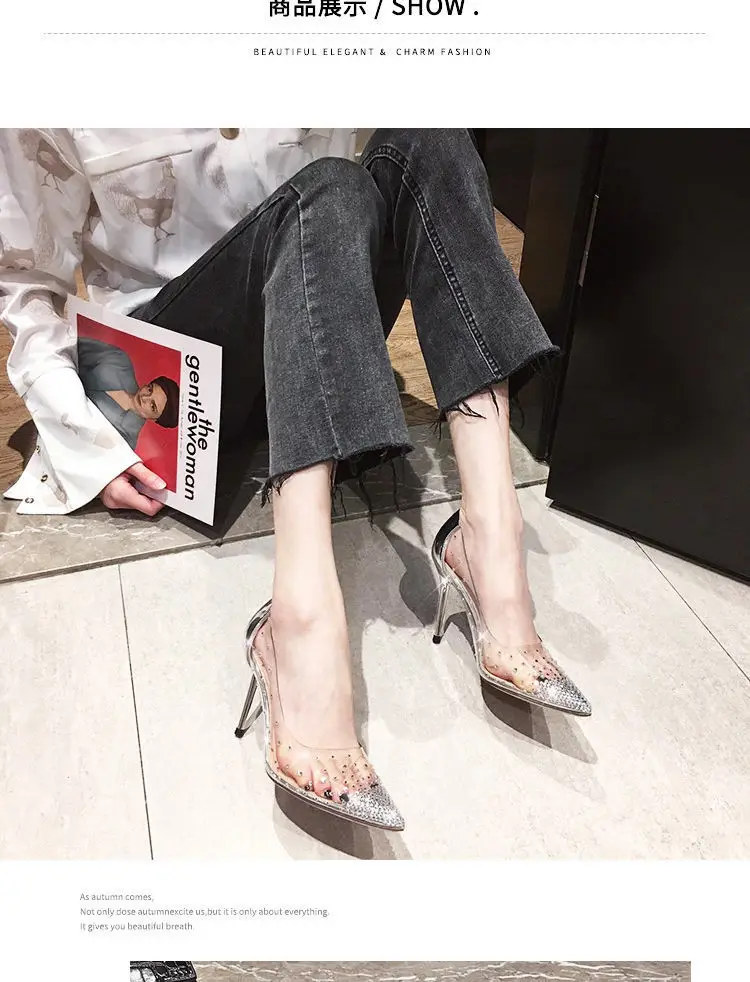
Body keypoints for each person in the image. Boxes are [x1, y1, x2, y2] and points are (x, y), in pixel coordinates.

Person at [0, 128, 591, 833]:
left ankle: (490, 538)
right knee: (325, 192)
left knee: (422, 136)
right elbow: (25, 279)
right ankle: (300, 620)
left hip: (317, 326)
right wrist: (89, 440)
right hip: (175, 374)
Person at [77, 335, 180, 450]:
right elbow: (73, 345)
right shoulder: (120, 360)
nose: (144, 397)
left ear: (155, 420)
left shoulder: (126, 442)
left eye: (152, 406)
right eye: (150, 389)